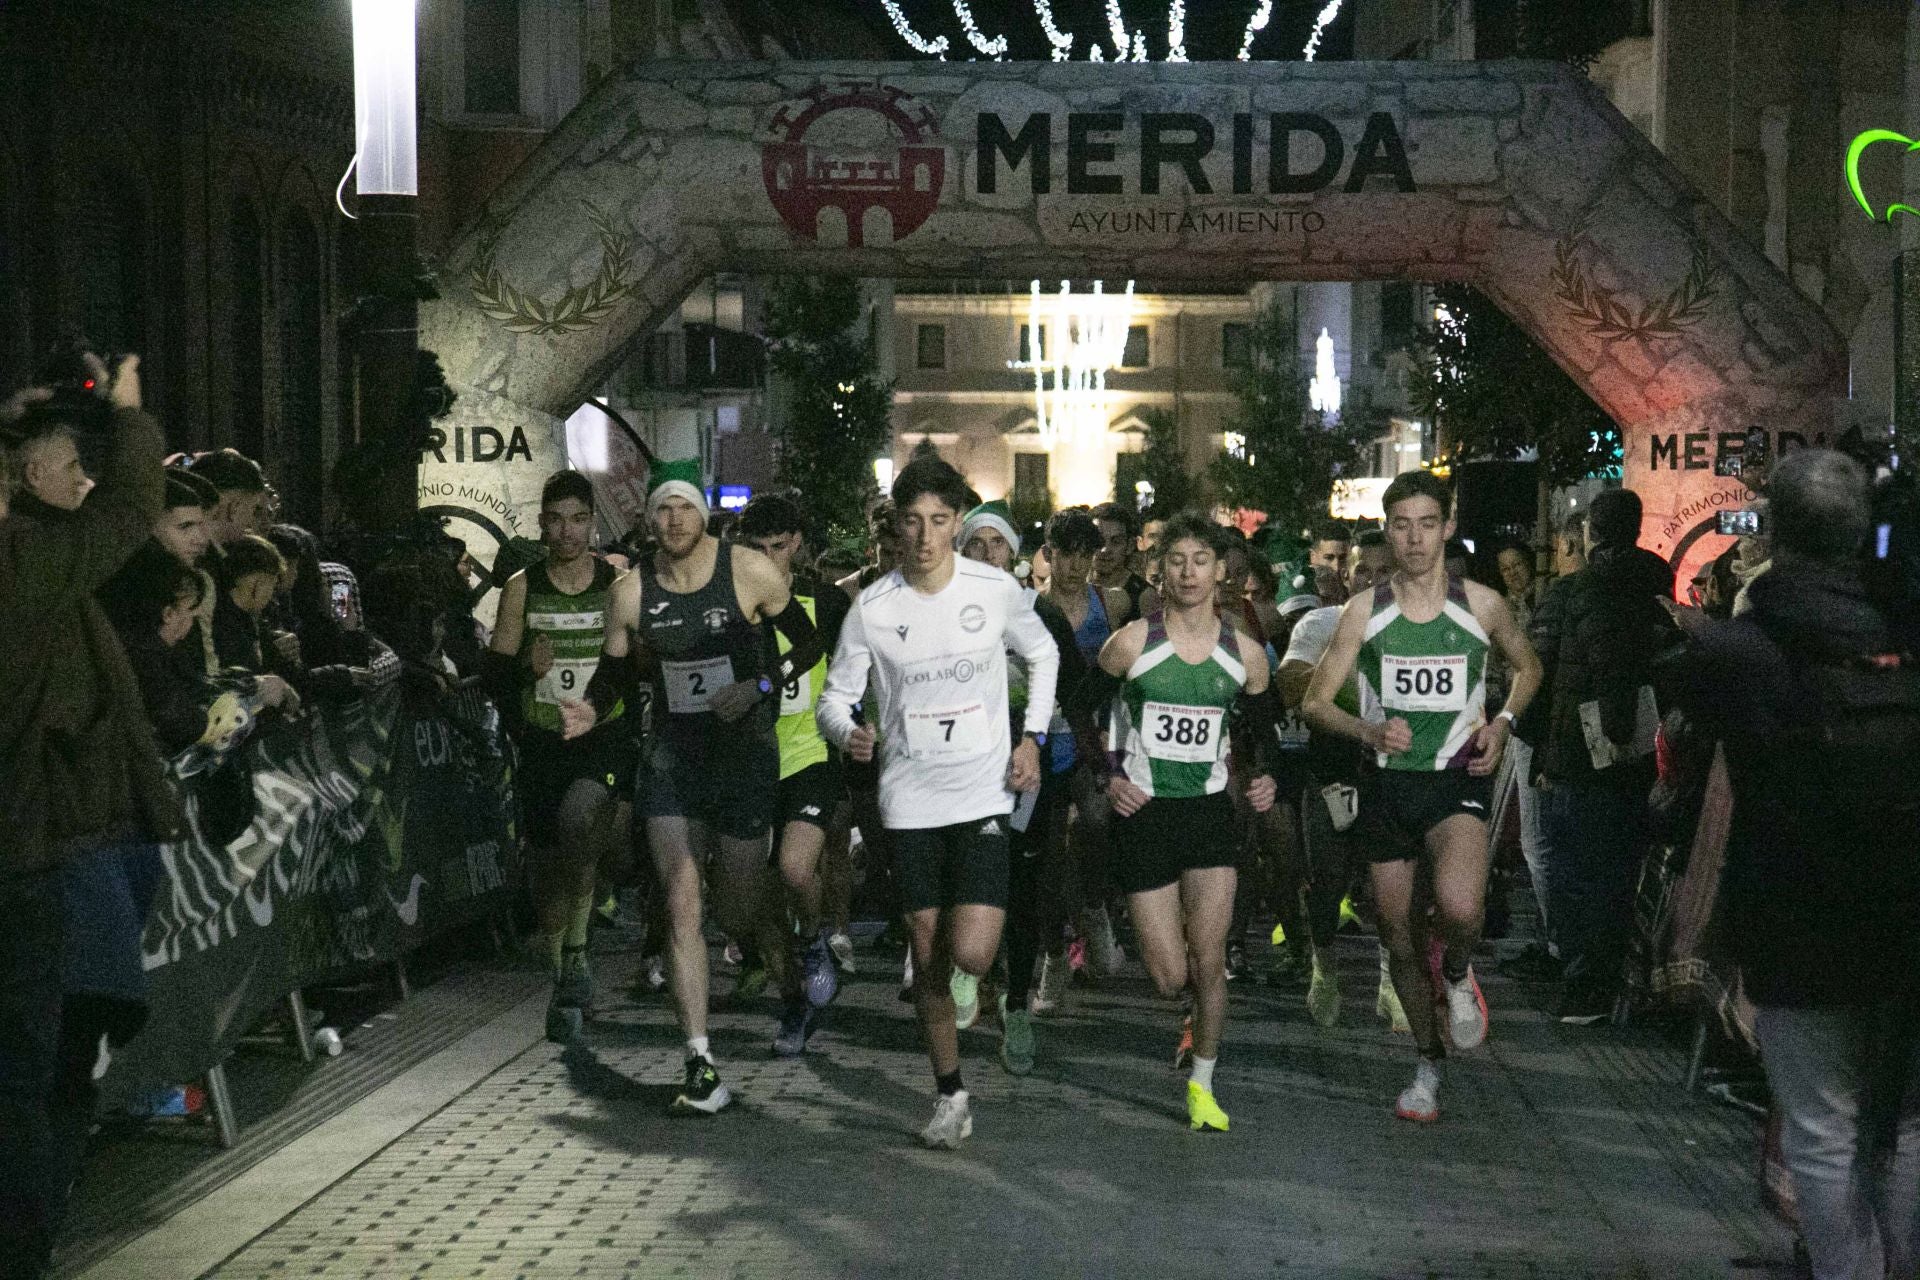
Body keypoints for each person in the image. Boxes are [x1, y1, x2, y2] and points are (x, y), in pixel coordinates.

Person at [1661, 449, 1919, 1280]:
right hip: (1908, 910)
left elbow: (1681, 727)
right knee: (1908, 1123)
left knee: (1822, 1127)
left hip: (1796, 916)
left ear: (1774, 530)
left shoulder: (1740, 650)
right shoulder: (1906, 632)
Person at [816, 455, 1059, 1149]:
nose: (925, 537)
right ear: (895, 526)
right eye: (913, 522)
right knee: (928, 954)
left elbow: (1043, 658)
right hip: (910, 800)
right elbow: (835, 699)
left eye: (940, 521)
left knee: (973, 954)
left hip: (983, 790)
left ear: (957, 523)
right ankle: (950, 1094)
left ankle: (980, 991)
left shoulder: (993, 588)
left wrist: (1032, 740)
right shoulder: (874, 607)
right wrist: (850, 733)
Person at [1, 356, 182, 1280]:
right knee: (29, 1072)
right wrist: (130, 417)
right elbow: (126, 509)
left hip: (49, 852)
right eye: (66, 464)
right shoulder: (25, 572)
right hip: (27, 861)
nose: (83, 480)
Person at [569, 460, 822, 1114]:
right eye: (663, 509)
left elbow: (805, 643)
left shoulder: (748, 571)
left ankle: (790, 978)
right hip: (674, 759)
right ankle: (700, 1062)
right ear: (649, 518)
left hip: (743, 757)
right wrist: (593, 708)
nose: (675, 519)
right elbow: (615, 675)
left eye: (685, 506)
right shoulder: (630, 593)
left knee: (738, 909)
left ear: (702, 511)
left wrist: (760, 686)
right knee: (682, 898)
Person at [1302, 471, 1540, 1124]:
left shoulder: (1483, 605)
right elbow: (1315, 701)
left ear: (1446, 527)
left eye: (1426, 523)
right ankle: (1427, 1065)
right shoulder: (1365, 610)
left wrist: (1502, 723)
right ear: (1388, 529)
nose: (1413, 537)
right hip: (1386, 785)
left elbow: (1531, 667)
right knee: (1398, 938)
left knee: (1463, 907)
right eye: (1401, 524)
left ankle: (1460, 972)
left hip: (1455, 780)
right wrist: (1367, 728)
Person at [1080, 513, 1280, 1131]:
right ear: (1159, 571)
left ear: (1222, 574)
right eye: (1177, 560)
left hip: (1209, 817)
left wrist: (1263, 777)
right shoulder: (1132, 644)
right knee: (1170, 976)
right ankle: (1190, 1014)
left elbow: (1257, 735)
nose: (1189, 572)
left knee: (1210, 956)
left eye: (1201, 561)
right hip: (1146, 814)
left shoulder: (1245, 655)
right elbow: (1082, 715)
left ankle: (1204, 1083)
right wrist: (1110, 779)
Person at [485, 470, 638, 1045]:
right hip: (544, 738)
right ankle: (563, 973)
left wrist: (601, 700)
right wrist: (529, 667)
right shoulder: (523, 587)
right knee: (550, 860)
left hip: (602, 734)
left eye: (579, 519)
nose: (568, 531)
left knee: (584, 822)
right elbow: (494, 672)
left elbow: (631, 664)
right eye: (557, 520)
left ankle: (575, 952)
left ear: (593, 523)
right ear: (542, 524)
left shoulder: (617, 582)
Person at [1523, 487, 1677, 1024]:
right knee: (1622, 868)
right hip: (1643, 750)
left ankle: (1585, 982)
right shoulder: (1658, 582)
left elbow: (1541, 676)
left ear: (1591, 532)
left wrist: (1536, 746)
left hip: (1576, 752)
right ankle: (1625, 979)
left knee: (1572, 866)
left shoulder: (1573, 593)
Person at [958, 499, 1090, 1075]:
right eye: (976, 544)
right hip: (957, 768)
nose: (987, 554)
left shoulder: (1043, 616)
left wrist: (1100, 767)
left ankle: (1016, 1006)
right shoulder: (942, 608)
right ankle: (967, 971)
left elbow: (1082, 699)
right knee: (963, 873)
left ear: (1015, 554)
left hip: (1030, 771)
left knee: (1022, 883)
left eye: (997, 545)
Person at [734, 493, 852, 1057]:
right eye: (755, 549)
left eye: (776, 548)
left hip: (809, 754)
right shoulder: (732, 601)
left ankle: (816, 940)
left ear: (797, 545)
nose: (766, 560)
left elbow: (857, 672)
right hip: (750, 760)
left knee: (795, 867)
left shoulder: (826, 603)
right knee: (752, 898)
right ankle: (793, 1003)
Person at [1279, 530, 1402, 1031]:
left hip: (1395, 771)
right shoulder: (1321, 622)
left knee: (1390, 887)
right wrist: (1350, 686)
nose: (1372, 580)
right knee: (1328, 880)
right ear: (1347, 575)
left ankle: (1392, 982)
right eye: (1363, 571)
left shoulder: (1418, 626)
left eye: (1382, 571)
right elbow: (1290, 686)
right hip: (1333, 767)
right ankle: (1324, 965)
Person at [1034, 508, 1130, 989]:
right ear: (1048, 555)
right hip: (1046, 741)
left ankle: (1094, 910)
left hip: (1095, 738)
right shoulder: (1030, 610)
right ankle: (1053, 955)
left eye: (1084, 555)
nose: (1075, 566)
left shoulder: (1110, 604)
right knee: (1047, 856)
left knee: (1095, 824)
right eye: (1065, 555)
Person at [1091, 501, 1157, 622]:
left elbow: (1156, 640)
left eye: (1116, 542)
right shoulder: (1076, 587)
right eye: (1099, 541)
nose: (1105, 549)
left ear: (1130, 546)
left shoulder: (1144, 597)